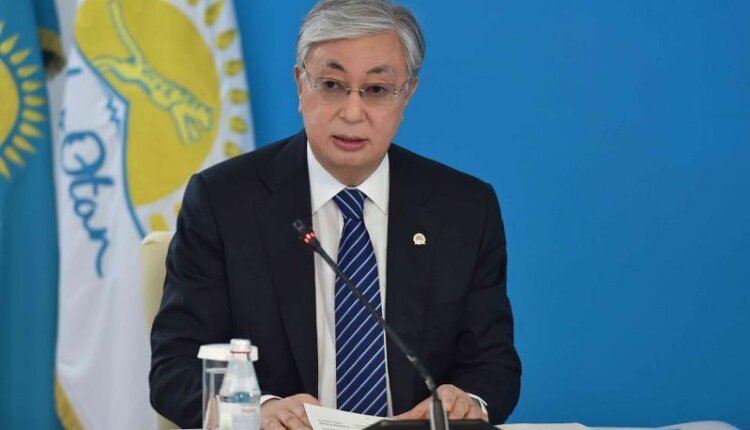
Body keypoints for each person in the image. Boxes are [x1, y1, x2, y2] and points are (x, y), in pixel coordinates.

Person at [149, 1, 521, 428]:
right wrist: (257, 410)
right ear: (300, 84)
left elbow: (493, 365)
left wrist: (467, 401)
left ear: (407, 95)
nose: (352, 113)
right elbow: (174, 368)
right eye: (331, 85)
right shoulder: (223, 201)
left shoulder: (464, 209)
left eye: (376, 90)